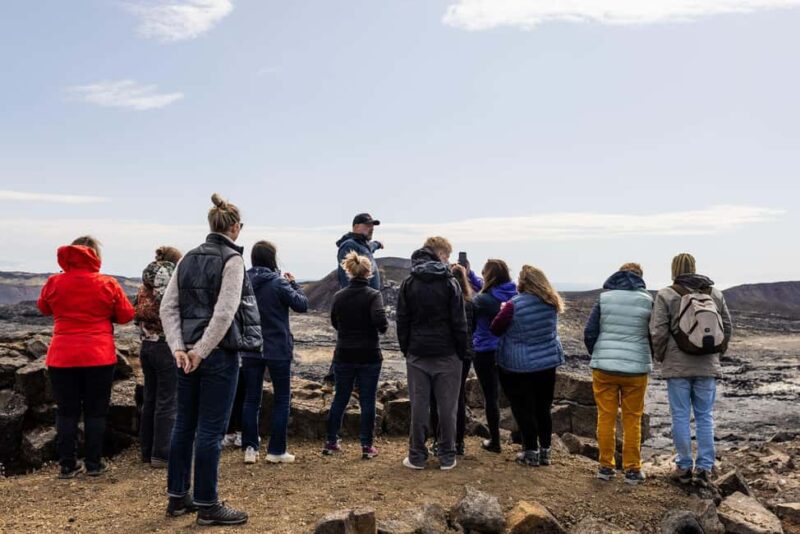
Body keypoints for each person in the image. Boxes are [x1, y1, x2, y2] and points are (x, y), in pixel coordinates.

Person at [160, 193, 262, 526]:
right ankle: (207, 504)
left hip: (186, 356)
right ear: (234, 227)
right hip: (215, 356)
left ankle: (178, 498)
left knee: (184, 425)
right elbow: (224, 313)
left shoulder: (186, 258)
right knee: (210, 430)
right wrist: (201, 352)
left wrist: (180, 348)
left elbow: (168, 307)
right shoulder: (232, 260)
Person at [38, 236, 135, 479]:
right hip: (98, 355)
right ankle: (93, 464)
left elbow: (43, 307)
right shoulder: (107, 283)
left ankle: (67, 465)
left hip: (62, 356)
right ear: (94, 254)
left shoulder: (54, 282)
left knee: (66, 411)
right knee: (95, 411)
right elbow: (125, 315)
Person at [650, 253, 732, 487]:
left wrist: (662, 356)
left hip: (677, 366)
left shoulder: (666, 294)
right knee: (705, 416)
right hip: (707, 364)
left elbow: (658, 331)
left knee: (680, 416)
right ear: (694, 267)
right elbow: (727, 326)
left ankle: (684, 466)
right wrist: (716, 353)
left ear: (674, 269)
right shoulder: (714, 293)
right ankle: (706, 467)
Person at [397, 236, 467, 470]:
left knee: (419, 406)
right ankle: (447, 456)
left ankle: (417, 456)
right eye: (446, 255)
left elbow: (402, 320)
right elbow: (459, 322)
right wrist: (461, 351)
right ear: (439, 254)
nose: (448, 260)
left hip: (417, 353)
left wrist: (407, 349)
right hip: (447, 353)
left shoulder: (409, 282)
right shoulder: (450, 282)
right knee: (448, 407)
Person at [583, 263, 653, 484]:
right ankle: (632, 469)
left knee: (606, 417)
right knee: (633, 419)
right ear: (640, 278)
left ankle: (606, 467)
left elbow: (589, 331)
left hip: (604, 368)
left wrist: (598, 353)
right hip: (636, 370)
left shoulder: (605, 298)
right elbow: (654, 334)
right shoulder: (648, 300)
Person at [490, 265, 565, 467]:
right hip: (547, 363)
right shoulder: (551, 303)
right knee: (543, 408)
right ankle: (546, 452)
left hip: (518, 365)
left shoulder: (513, 305)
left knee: (523, 408)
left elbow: (496, 329)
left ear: (523, 282)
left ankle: (530, 450)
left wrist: (502, 310)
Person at [243, 240, 308, 464]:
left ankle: (250, 448)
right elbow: (302, 305)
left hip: (250, 348)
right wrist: (294, 284)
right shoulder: (278, 283)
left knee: (251, 399)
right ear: (272, 258)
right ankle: (276, 450)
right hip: (277, 348)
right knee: (282, 399)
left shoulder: (244, 282)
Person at [324, 251, 388, 459]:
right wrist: (382, 326)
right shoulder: (373, 295)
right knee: (367, 400)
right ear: (368, 272)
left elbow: (335, 322)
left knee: (340, 398)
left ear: (349, 271)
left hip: (344, 353)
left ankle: (331, 441)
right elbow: (380, 321)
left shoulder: (339, 296)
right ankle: (366, 446)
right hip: (369, 353)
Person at [135, 246, 182, 469]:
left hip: (146, 346)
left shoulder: (144, 284)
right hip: (165, 346)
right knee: (168, 401)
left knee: (151, 399)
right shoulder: (170, 283)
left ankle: (147, 451)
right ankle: (162, 454)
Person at [471, 259, 517, 453]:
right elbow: (489, 290)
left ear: (488, 276)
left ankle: (495, 441)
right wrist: (470, 275)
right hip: (508, 350)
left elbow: (473, 314)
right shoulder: (514, 294)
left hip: (485, 351)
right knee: (515, 395)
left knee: (491, 397)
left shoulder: (482, 300)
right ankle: (523, 438)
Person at [429, 263, 475, 456]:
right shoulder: (470, 303)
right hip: (464, 354)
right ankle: (458, 441)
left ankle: (440, 440)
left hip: (445, 352)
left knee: (436, 397)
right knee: (458, 397)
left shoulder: (444, 301)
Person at [335, 213, 384, 290]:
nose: (371, 228)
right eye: (368, 225)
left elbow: (371, 247)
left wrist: (378, 244)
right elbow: (346, 274)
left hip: (370, 297)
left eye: (372, 226)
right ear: (356, 227)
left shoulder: (363, 245)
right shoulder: (349, 246)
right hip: (359, 298)